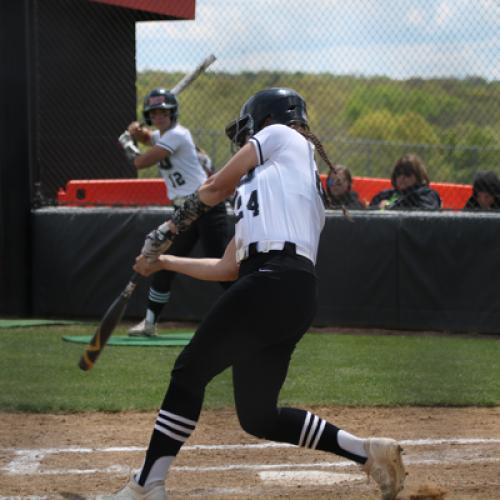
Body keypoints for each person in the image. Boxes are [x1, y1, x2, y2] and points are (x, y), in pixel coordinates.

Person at [105, 88, 406, 500]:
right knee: (258, 416)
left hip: (271, 280)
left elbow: (212, 187)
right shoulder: (272, 187)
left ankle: (146, 485)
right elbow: (229, 266)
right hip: (289, 291)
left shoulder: (284, 135)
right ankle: (367, 452)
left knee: (188, 373)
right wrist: (165, 263)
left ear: (266, 119)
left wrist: (166, 231)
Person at [122, 87, 229, 337]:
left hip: (205, 207)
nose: (160, 117)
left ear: (173, 114)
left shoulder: (178, 135)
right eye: (155, 113)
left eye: (164, 112)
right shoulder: (165, 136)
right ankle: (149, 323)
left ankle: (250, 315)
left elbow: (140, 161)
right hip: (183, 209)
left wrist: (127, 140)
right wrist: (139, 133)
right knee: (163, 263)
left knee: (223, 266)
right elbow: (152, 138)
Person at [369, 153, 441, 210]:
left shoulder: (425, 195)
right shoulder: (385, 195)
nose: (402, 177)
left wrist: (391, 207)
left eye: (407, 173)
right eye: (399, 173)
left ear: (417, 175)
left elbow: (424, 215)